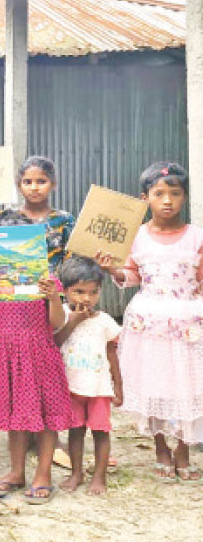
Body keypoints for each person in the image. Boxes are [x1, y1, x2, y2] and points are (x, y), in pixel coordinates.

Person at [100, 162, 203, 484]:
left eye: (175, 193)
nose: (167, 200)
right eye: (159, 194)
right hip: (148, 324)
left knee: (188, 385)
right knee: (154, 383)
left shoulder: (197, 237)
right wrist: (112, 271)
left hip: (188, 323)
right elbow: (130, 276)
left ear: (184, 197)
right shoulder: (138, 237)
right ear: (144, 198)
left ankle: (184, 448)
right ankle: (160, 448)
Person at [0, 156, 72, 505]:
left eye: (42, 181)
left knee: (46, 405)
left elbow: (73, 264)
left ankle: (43, 473)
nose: (35, 187)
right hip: (6, 321)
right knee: (15, 403)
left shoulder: (63, 221)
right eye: (28, 182)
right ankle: (16, 471)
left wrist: (55, 294)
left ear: (53, 183)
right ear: (19, 185)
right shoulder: (5, 219)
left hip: (41, 319)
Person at [54, 257, 122, 495]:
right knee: (75, 431)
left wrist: (118, 387)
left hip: (99, 388)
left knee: (101, 432)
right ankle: (76, 473)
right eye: (79, 292)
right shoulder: (61, 315)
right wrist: (74, 321)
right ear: (64, 291)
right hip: (72, 388)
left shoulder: (104, 320)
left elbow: (112, 353)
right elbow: (56, 341)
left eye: (93, 292)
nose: (86, 298)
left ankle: (99, 477)